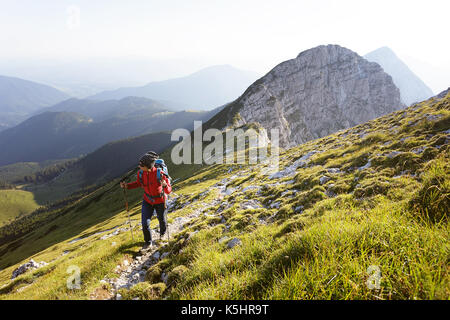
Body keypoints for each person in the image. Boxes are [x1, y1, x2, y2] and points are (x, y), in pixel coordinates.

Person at [120, 152, 171, 250]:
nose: (139, 166)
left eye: (141, 165)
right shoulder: (141, 173)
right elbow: (138, 183)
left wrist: (165, 185)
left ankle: (163, 233)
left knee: (161, 219)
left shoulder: (160, 174)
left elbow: (168, 190)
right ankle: (148, 243)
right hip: (147, 200)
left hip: (160, 201)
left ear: (148, 166)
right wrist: (127, 186)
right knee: (144, 223)